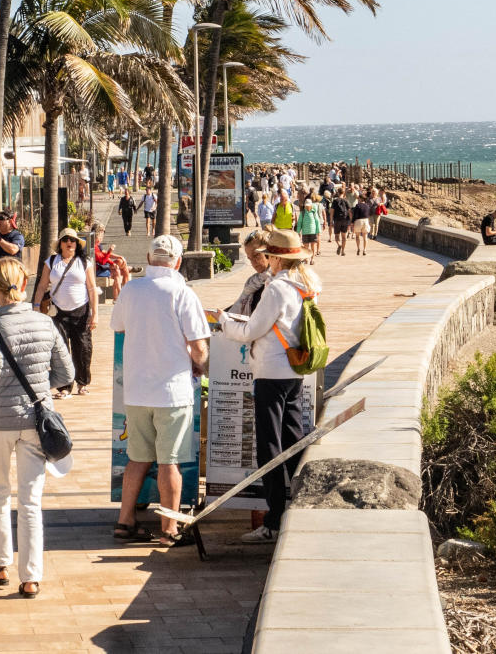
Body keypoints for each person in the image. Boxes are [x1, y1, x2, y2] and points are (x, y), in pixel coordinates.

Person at [0, 257, 74, 600]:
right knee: (30, 502)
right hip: (35, 422)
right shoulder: (45, 323)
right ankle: (30, 578)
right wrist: (42, 389)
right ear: (24, 285)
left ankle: (0, 565)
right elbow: (68, 374)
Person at [215, 229, 321, 545]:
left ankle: (274, 520)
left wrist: (223, 321)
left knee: (269, 447)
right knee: (293, 439)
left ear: (275, 258)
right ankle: (302, 508)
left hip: (271, 372)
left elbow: (252, 330)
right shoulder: (309, 285)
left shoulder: (276, 289)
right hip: (294, 370)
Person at [110, 235, 210, 544]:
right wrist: (200, 365)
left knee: (137, 458)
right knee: (170, 461)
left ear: (149, 258)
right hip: (172, 391)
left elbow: (119, 327)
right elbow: (198, 347)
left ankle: (125, 521)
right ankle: (169, 528)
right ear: (177, 261)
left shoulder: (131, 290)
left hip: (137, 391)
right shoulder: (183, 293)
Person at [32, 228, 98, 398]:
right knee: (60, 350)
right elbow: (41, 286)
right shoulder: (51, 261)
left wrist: (95, 313)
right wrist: (36, 306)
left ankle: (82, 383)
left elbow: (91, 289)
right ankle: (64, 386)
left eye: (73, 240)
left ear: (77, 244)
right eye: (66, 240)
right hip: (58, 312)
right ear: (60, 243)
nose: (70, 242)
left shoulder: (84, 262)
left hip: (81, 310)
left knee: (82, 348)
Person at [228, 229, 272, 317]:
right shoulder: (253, 282)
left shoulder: (275, 283)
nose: (253, 263)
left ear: (269, 252)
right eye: (250, 259)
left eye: (256, 255)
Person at [298, 193, 324, 262]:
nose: (307, 207)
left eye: (309, 206)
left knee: (313, 247)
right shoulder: (302, 213)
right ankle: (306, 258)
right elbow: (299, 222)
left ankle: (312, 259)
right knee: (306, 247)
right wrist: (298, 232)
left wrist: (318, 231)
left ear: (311, 205)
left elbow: (317, 222)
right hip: (305, 232)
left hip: (313, 232)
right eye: (306, 206)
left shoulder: (313, 212)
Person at [330, 192, 353, 256]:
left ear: (338, 193)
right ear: (344, 193)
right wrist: (351, 221)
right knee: (344, 236)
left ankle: (339, 245)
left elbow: (332, 211)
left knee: (337, 236)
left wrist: (331, 220)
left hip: (337, 220)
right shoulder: (346, 201)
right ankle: (343, 251)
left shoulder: (335, 201)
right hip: (345, 220)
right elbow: (349, 211)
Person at [352, 192, 375, 256]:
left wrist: (352, 222)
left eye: (358, 198)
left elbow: (355, 215)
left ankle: (358, 248)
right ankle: (364, 249)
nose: (358, 199)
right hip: (366, 220)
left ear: (361, 199)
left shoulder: (357, 205)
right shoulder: (367, 206)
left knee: (357, 236)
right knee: (365, 237)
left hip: (358, 221)